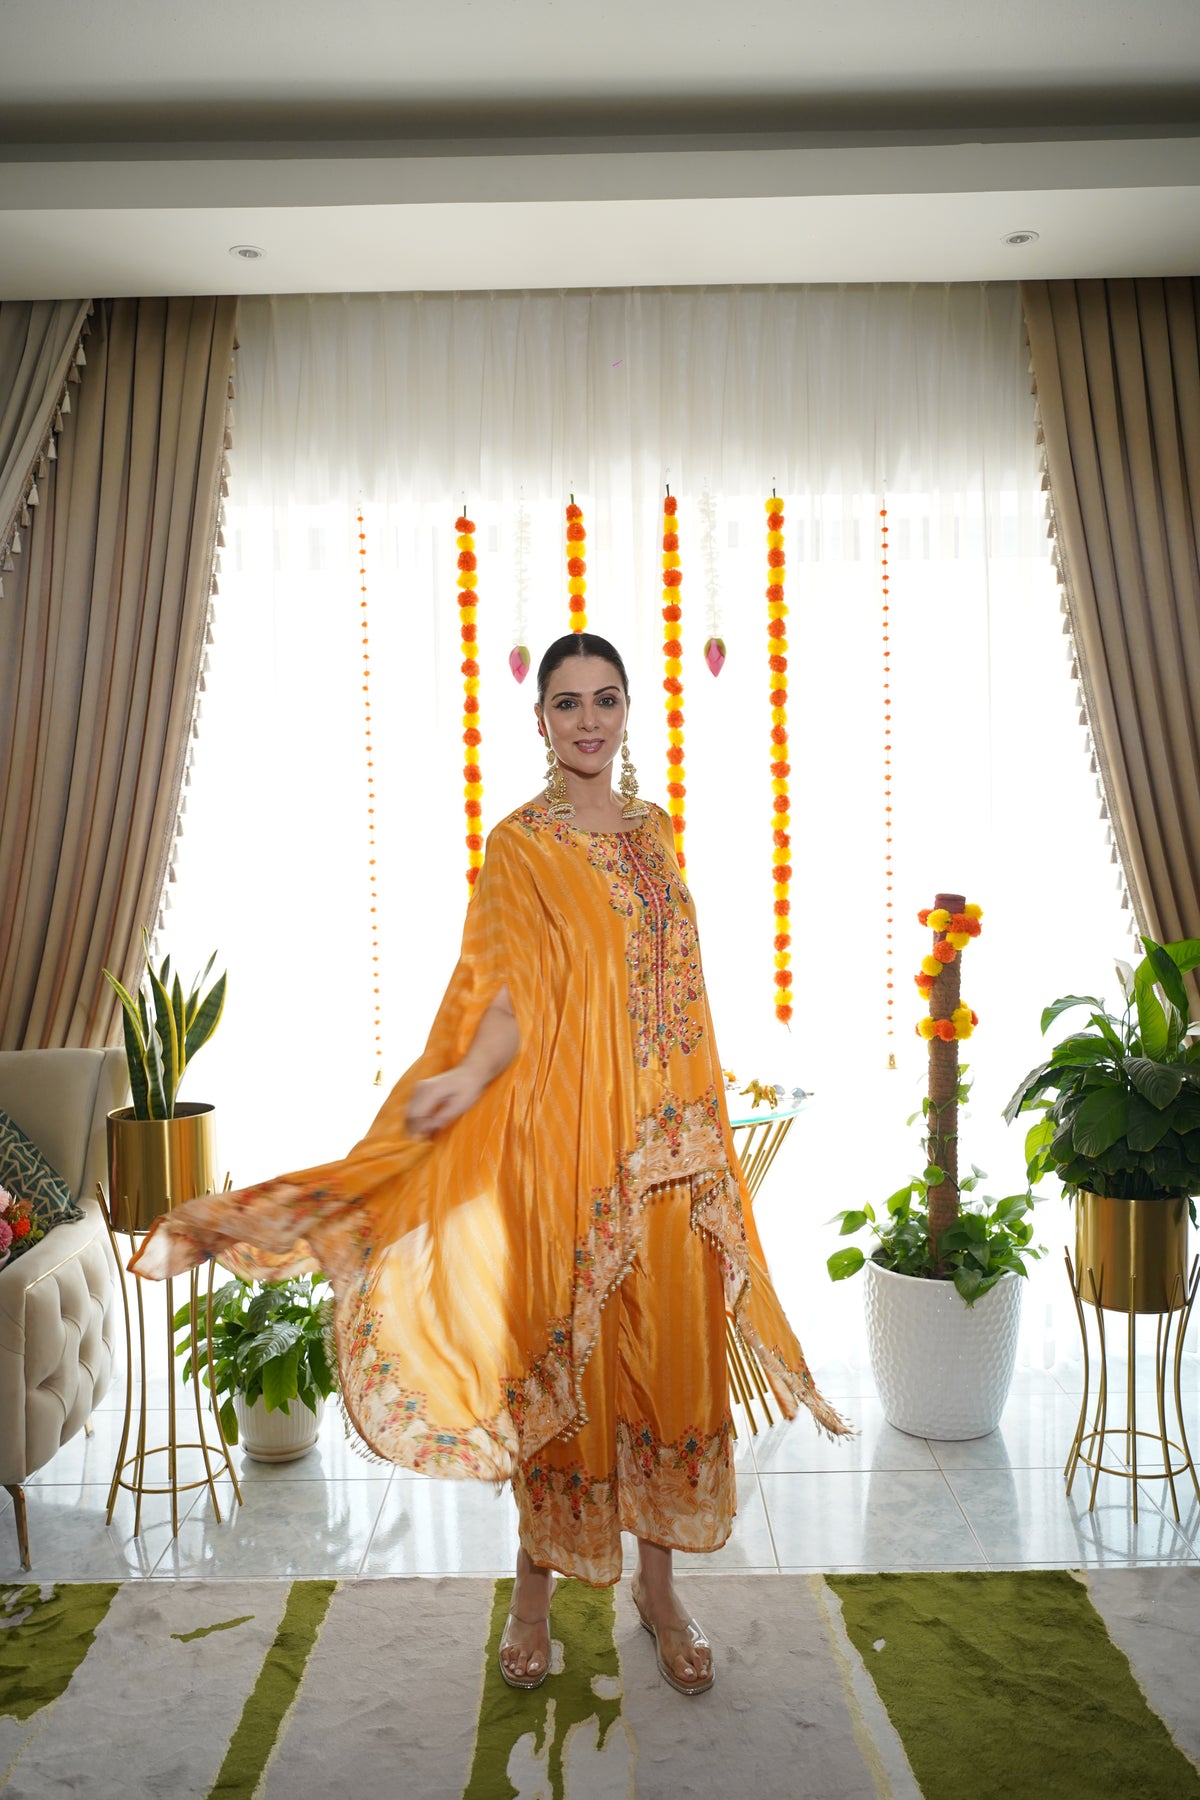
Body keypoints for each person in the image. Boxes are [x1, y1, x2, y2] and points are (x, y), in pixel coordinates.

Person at [131, 631, 848, 1697]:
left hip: (678, 1160)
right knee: (566, 1377)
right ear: (540, 719)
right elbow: (509, 996)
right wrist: (466, 1078)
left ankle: (659, 1595)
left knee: (673, 1374)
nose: (589, 720)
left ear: (628, 710)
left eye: (607, 699)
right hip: (570, 1159)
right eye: (569, 703)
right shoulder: (521, 847)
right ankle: (532, 1598)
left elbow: (672, 989)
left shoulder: (656, 834)